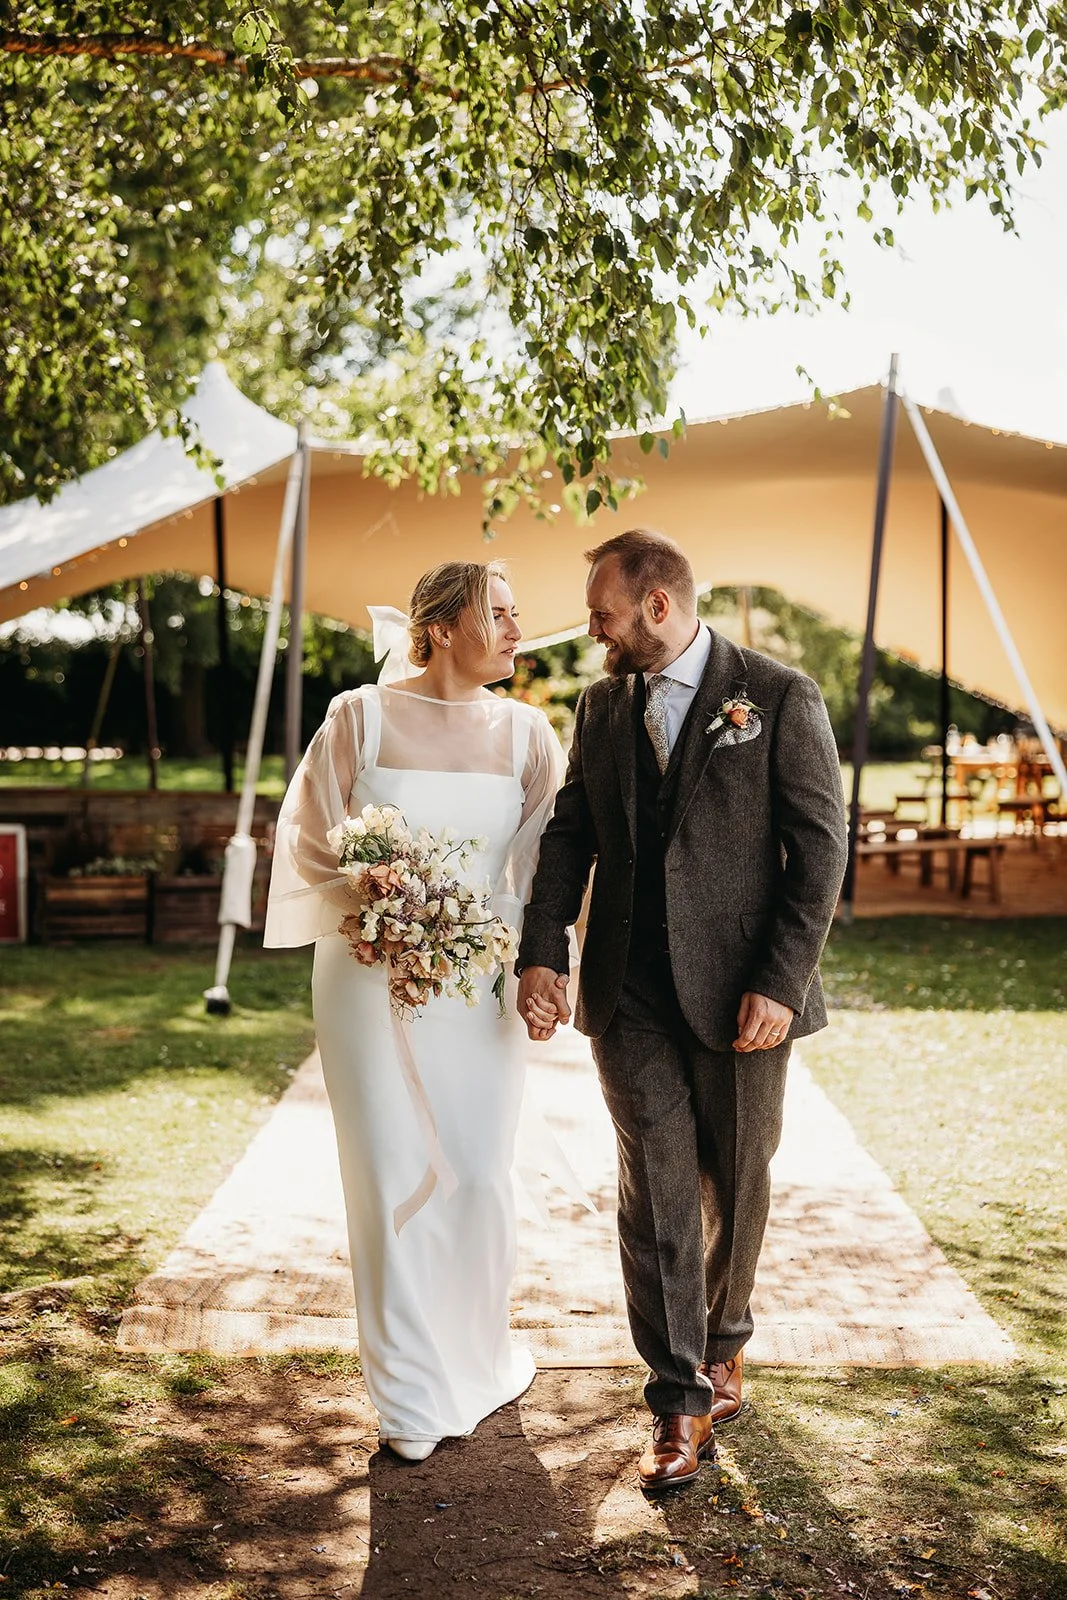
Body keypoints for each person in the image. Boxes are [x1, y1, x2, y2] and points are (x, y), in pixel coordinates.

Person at [517, 529, 847, 1492]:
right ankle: (678, 1399)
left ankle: (724, 1340)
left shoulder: (778, 695)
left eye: (602, 614)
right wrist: (545, 949)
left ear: (656, 605)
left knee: (736, 1181)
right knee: (654, 1188)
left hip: (747, 991)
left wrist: (780, 982)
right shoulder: (599, 705)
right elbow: (570, 832)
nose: (591, 633)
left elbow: (818, 851)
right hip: (629, 992)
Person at [264, 561, 564, 1462]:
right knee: (388, 1171)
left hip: (480, 986)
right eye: (499, 614)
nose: (517, 630)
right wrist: (367, 895)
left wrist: (550, 969)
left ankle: (473, 1354)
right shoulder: (356, 715)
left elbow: (549, 874)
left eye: (518, 614)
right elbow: (309, 836)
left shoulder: (530, 736)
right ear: (439, 627)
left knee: (476, 1169)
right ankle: (406, 1397)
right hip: (366, 976)